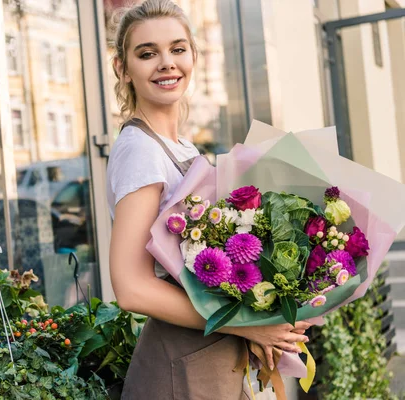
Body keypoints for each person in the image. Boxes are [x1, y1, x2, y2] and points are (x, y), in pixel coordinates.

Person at [106, 1, 311, 398]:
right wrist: (246, 323)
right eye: (147, 54)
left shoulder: (179, 145)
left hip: (209, 358)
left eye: (177, 49)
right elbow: (131, 287)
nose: (166, 63)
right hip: (180, 368)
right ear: (122, 68)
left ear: (193, 57)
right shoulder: (140, 151)